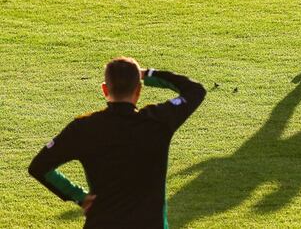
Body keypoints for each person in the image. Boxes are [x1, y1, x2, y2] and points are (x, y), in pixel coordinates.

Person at [28, 57, 206, 228]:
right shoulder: (158, 121)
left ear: (105, 90)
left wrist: (79, 196)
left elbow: (39, 167)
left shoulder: (84, 127)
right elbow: (195, 90)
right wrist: (148, 74)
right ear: (138, 90)